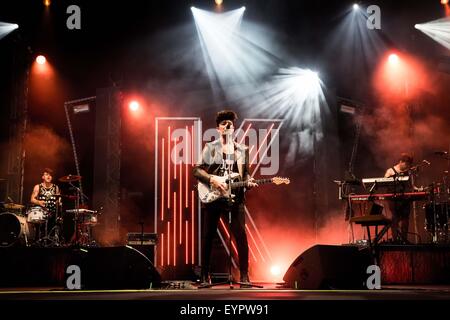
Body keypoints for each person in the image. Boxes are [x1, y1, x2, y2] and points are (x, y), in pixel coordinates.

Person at [193, 110, 258, 287]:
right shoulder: (211, 147)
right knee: (208, 236)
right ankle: (205, 275)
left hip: (235, 198)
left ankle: (244, 275)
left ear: (234, 128)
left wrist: (249, 181)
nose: (227, 125)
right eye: (223, 123)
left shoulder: (242, 150)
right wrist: (212, 179)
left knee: (241, 236)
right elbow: (197, 170)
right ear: (218, 128)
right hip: (214, 197)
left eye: (230, 123)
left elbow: (246, 175)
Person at [384, 153, 414, 244]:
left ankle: (404, 239)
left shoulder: (407, 172)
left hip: (405, 198)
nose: (407, 167)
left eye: (409, 165)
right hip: (394, 199)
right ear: (401, 162)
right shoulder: (390, 171)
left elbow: (410, 185)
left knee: (405, 218)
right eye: (406, 164)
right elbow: (384, 183)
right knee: (395, 218)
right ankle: (395, 240)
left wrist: (416, 189)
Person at [30, 168, 61, 242]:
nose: (49, 176)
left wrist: (59, 202)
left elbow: (58, 199)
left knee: (52, 231)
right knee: (39, 234)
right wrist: (39, 202)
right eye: (46, 174)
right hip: (41, 214)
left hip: (52, 214)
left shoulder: (55, 187)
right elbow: (32, 199)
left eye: (50, 175)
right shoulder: (38, 187)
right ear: (42, 177)